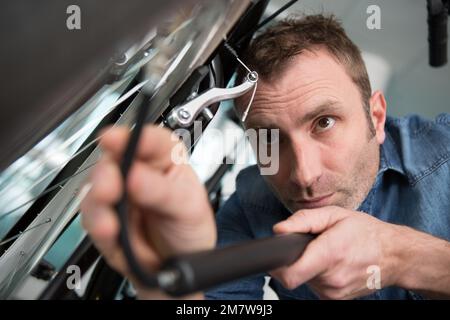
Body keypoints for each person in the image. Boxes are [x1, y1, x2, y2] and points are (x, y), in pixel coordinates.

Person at [80, 14, 450, 300]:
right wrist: (170, 279)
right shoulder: (248, 207)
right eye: (269, 139)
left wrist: (400, 256)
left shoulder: (445, 152)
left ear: (377, 116)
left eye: (324, 122)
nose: (303, 175)